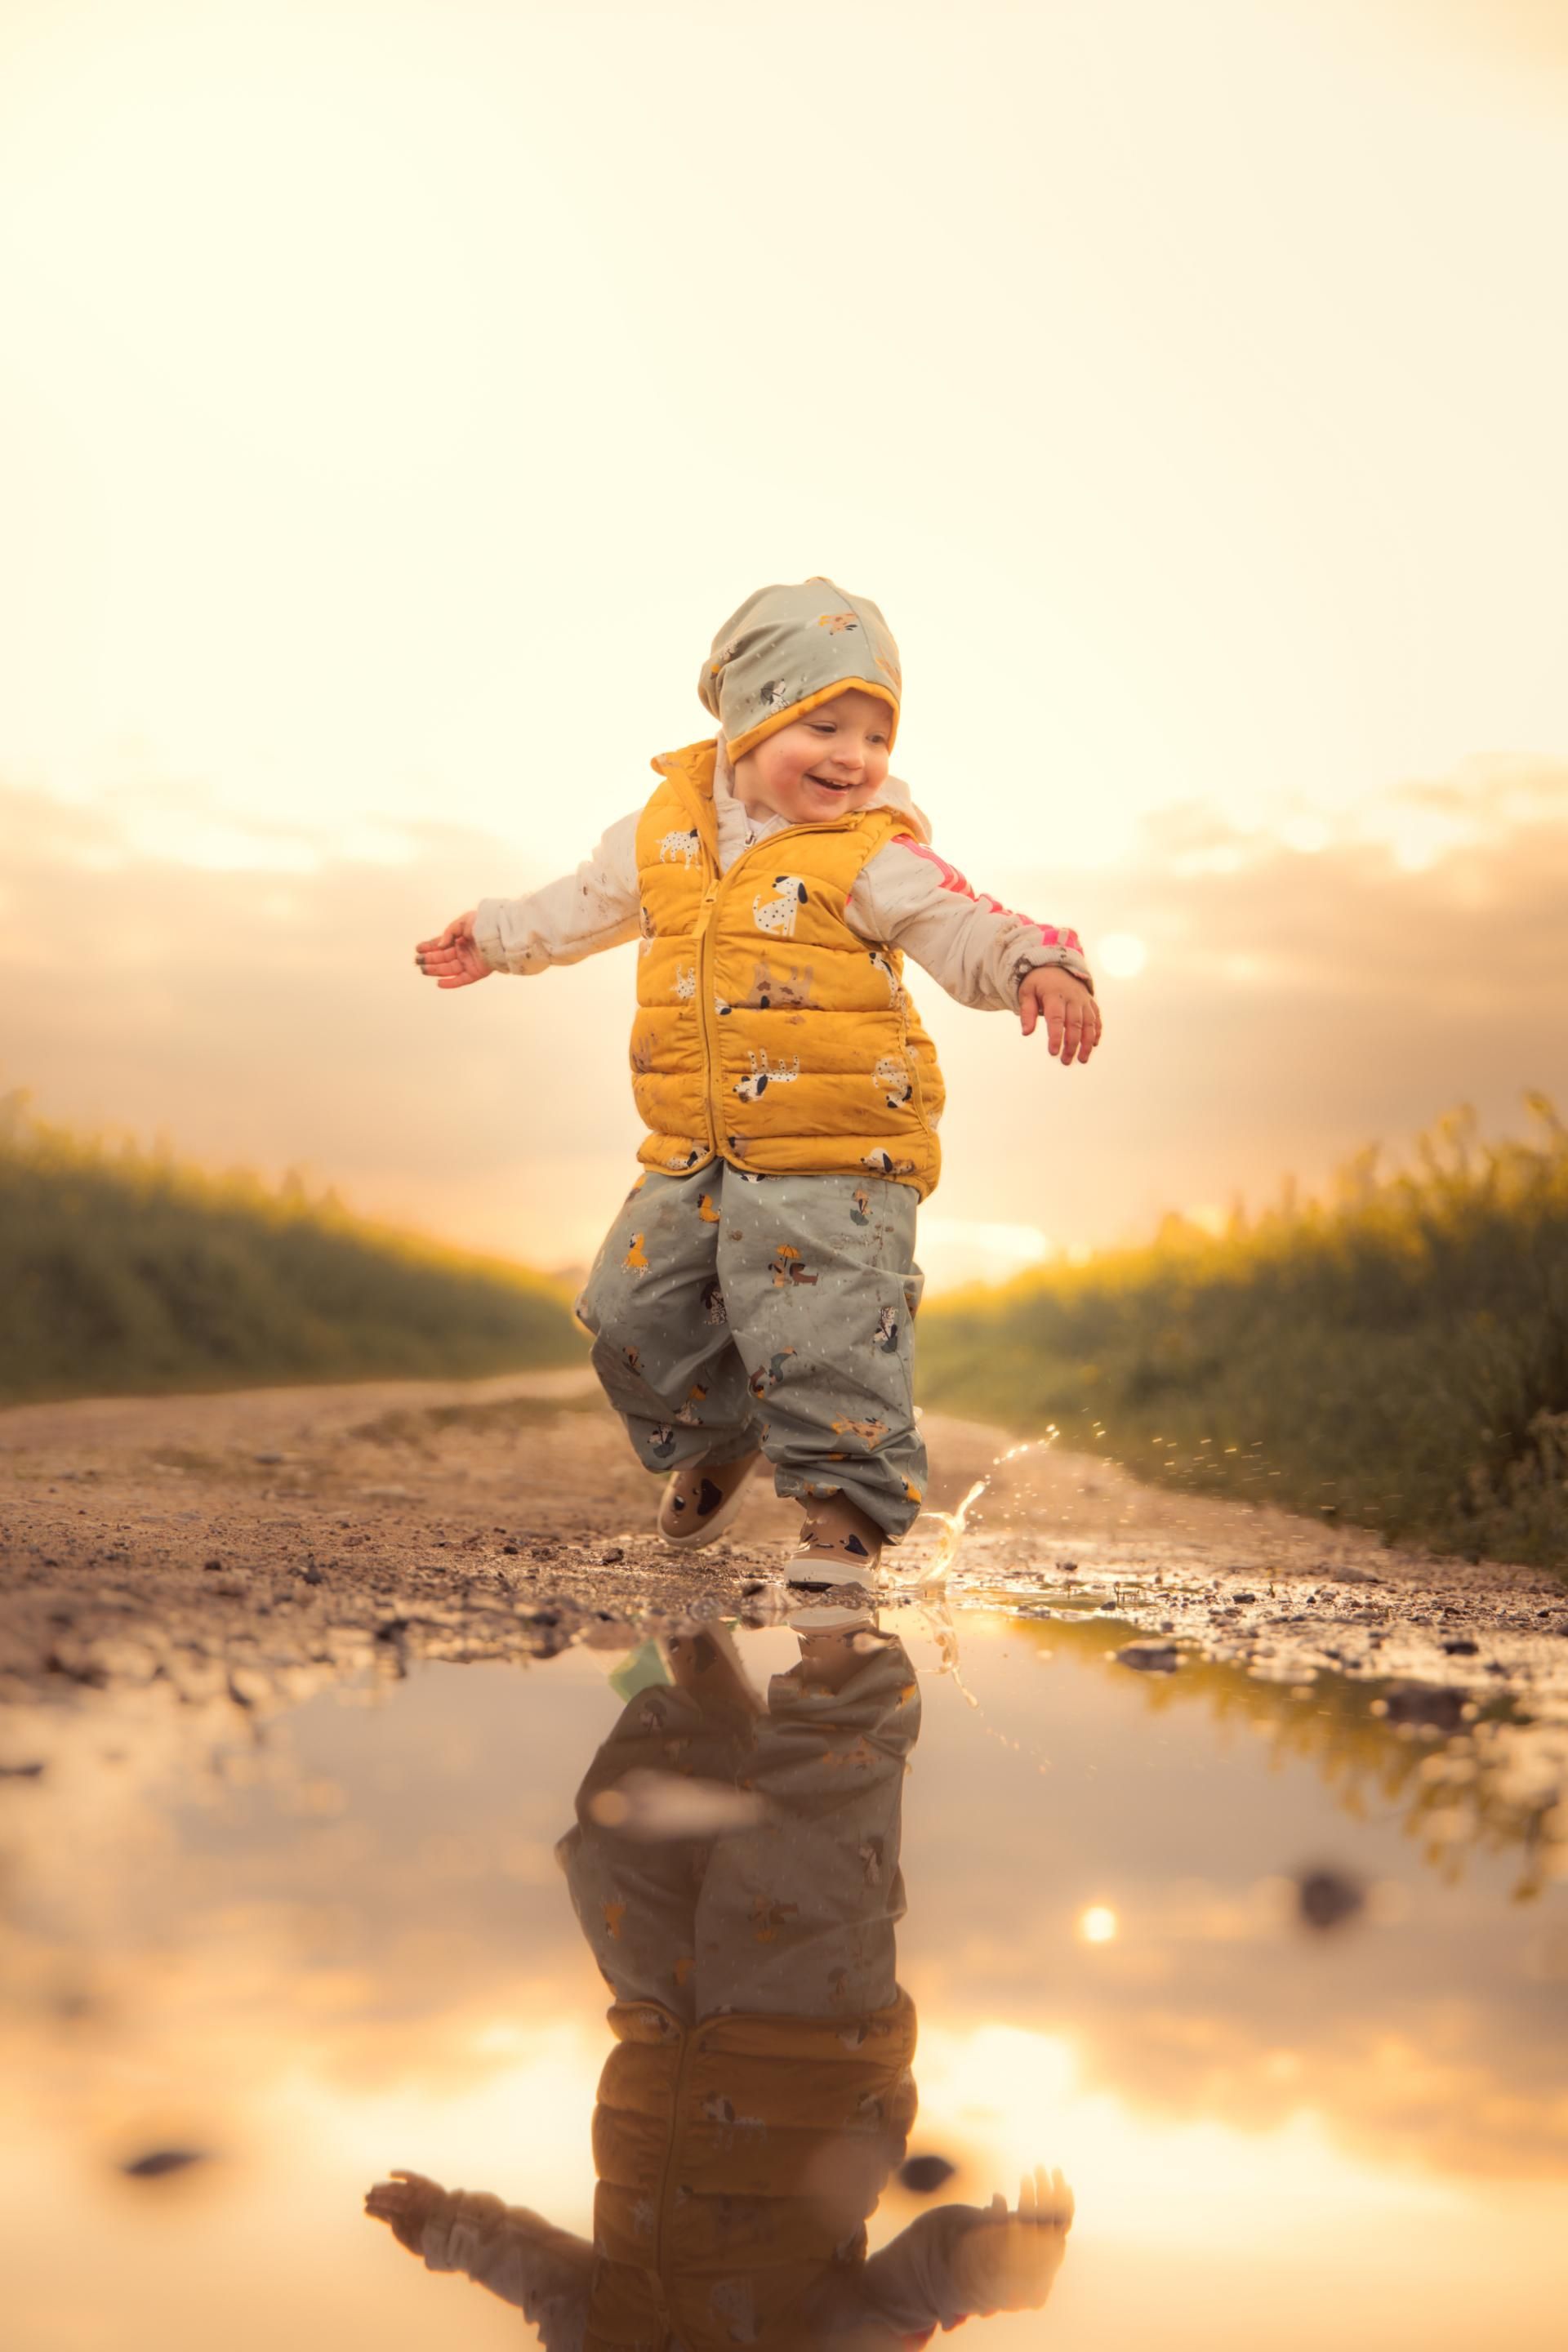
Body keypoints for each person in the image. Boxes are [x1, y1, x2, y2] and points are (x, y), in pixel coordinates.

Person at [414, 580, 1100, 1579]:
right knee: (630, 1310)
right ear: (747, 717)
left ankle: (844, 1515)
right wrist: (495, 935)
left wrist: (1039, 961)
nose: (854, 757)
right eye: (824, 725)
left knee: (829, 1335)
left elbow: (961, 922)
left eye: (877, 735)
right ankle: (718, 1436)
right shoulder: (662, 833)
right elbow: (584, 903)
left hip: (840, 1151)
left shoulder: (871, 854)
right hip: (697, 1146)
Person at [365, 1621, 1075, 2347]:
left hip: (664, 2030)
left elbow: (546, 2282)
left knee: (621, 1838)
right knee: (812, 1819)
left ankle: (699, 1651)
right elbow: (909, 2294)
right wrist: (992, 2271)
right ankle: (837, 1616)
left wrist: (449, 2232)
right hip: (809, 2042)